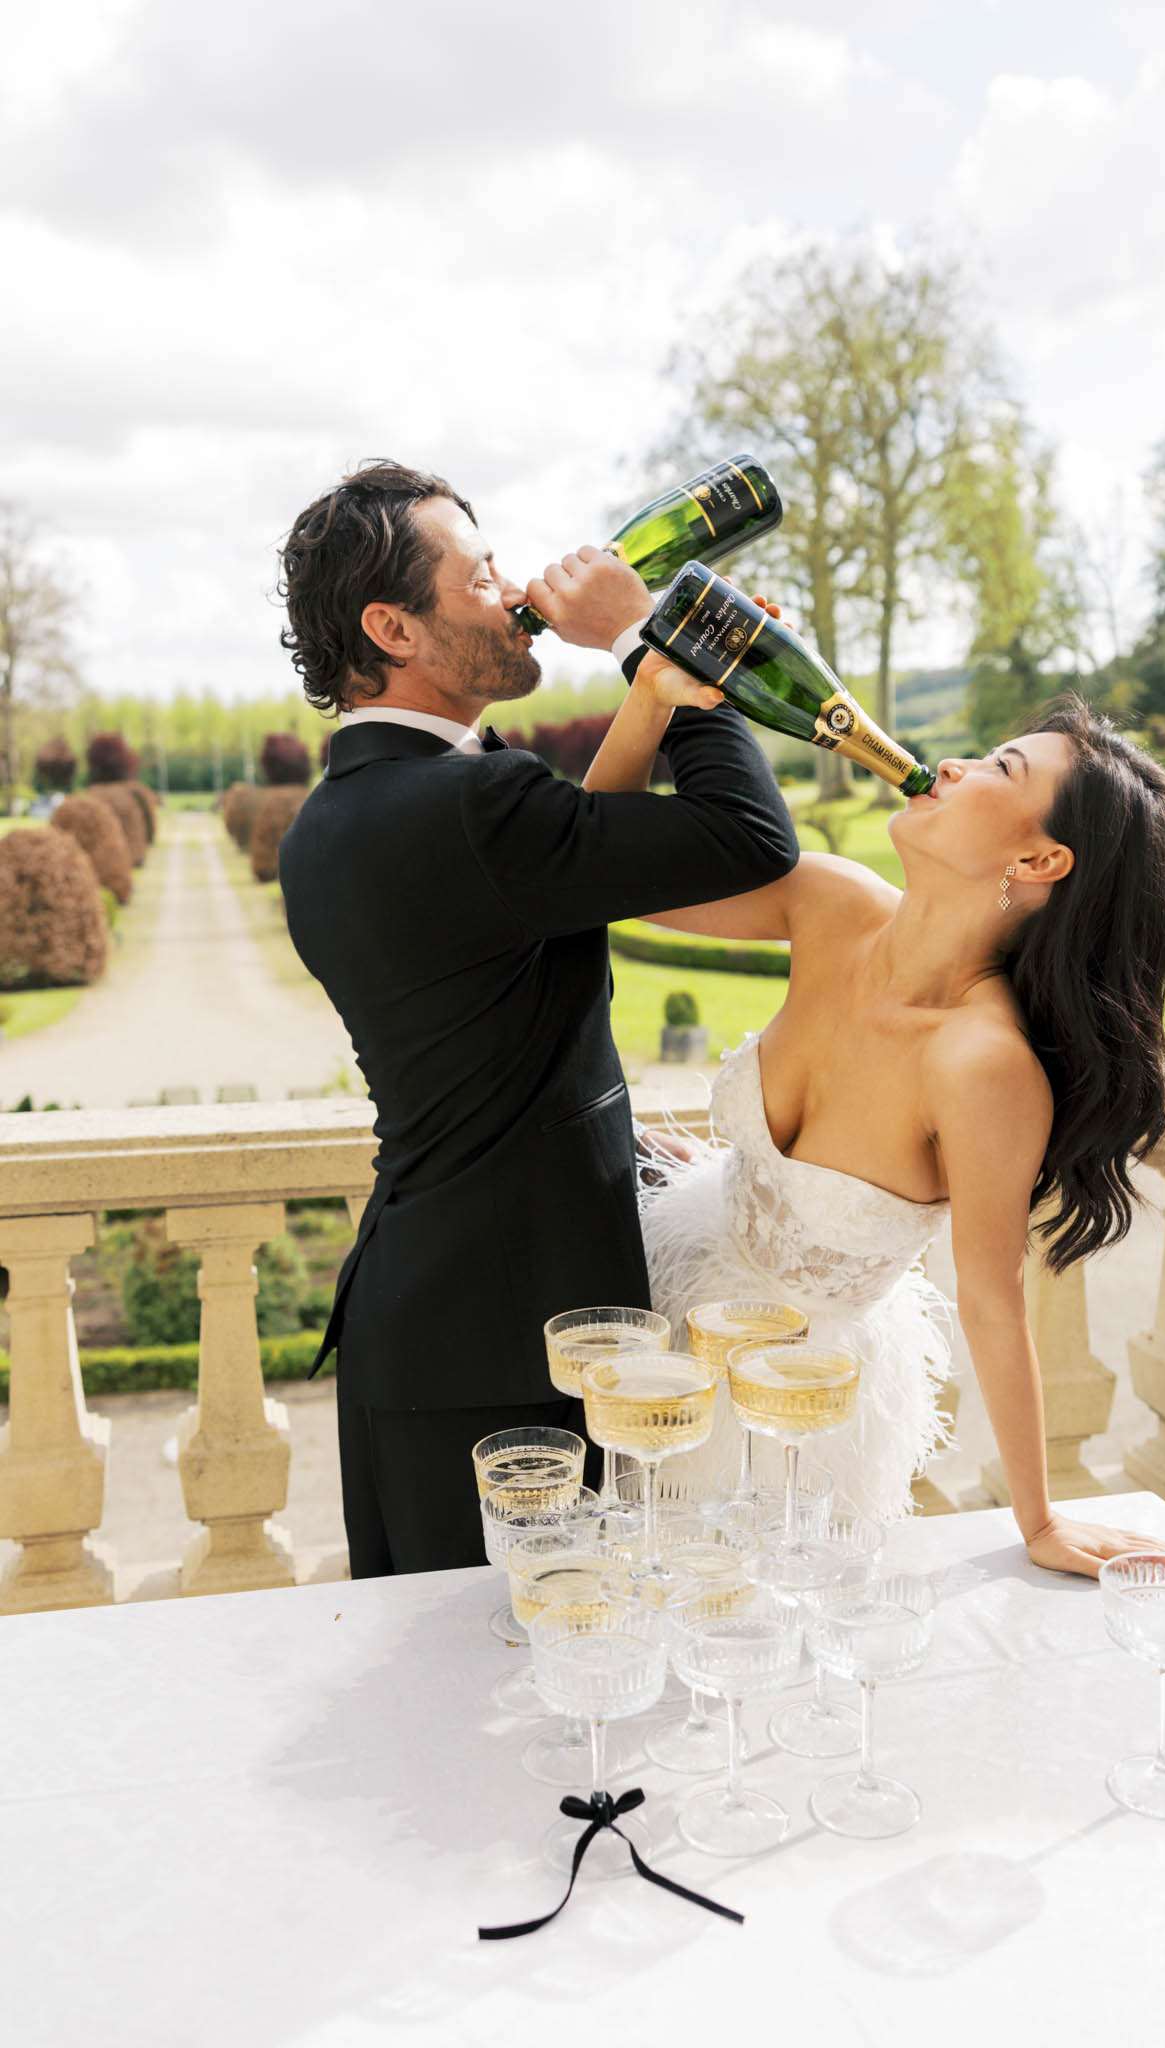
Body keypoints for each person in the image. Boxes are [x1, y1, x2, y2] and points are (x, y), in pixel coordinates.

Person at [586, 622, 1165, 1578]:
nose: (949, 765)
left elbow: (992, 1300)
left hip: (798, 1412)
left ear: (1040, 862)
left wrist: (1038, 1521)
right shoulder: (830, 902)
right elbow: (600, 870)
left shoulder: (981, 1064)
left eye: (999, 766)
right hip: (659, 1320)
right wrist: (651, 696)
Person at [274, 460, 798, 1577]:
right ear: (393, 626)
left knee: (473, 1711)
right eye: (479, 576)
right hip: (499, 1356)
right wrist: (657, 638)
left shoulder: (353, 809)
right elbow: (752, 839)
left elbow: (562, 881)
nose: (515, 590)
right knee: (516, 1701)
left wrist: (656, 696)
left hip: (439, 1329)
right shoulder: (463, 803)